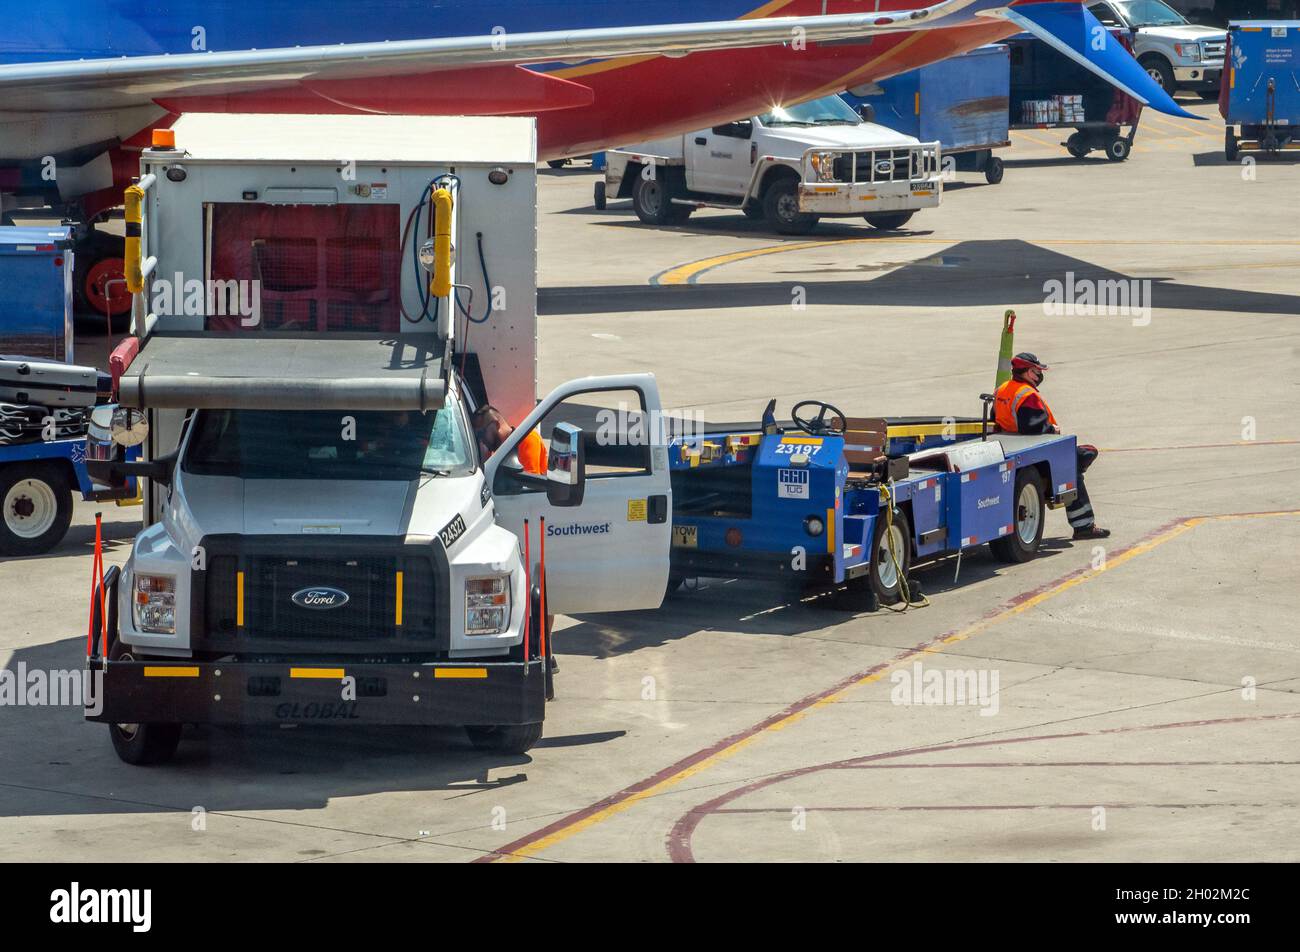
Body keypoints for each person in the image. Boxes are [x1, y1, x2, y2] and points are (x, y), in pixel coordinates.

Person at [993, 352, 1110, 540]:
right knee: (1083, 457)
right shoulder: (1027, 395)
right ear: (1026, 372)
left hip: (1011, 443)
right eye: (1036, 371)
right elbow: (1031, 426)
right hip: (1037, 448)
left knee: (1076, 464)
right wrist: (1052, 429)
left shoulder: (1002, 389)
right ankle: (1083, 526)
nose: (1039, 375)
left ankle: (1083, 524)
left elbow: (995, 418)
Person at [472, 404, 547, 475]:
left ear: (496, 425)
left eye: (481, 433)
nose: (481, 439)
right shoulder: (498, 452)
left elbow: (529, 482)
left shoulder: (527, 438)